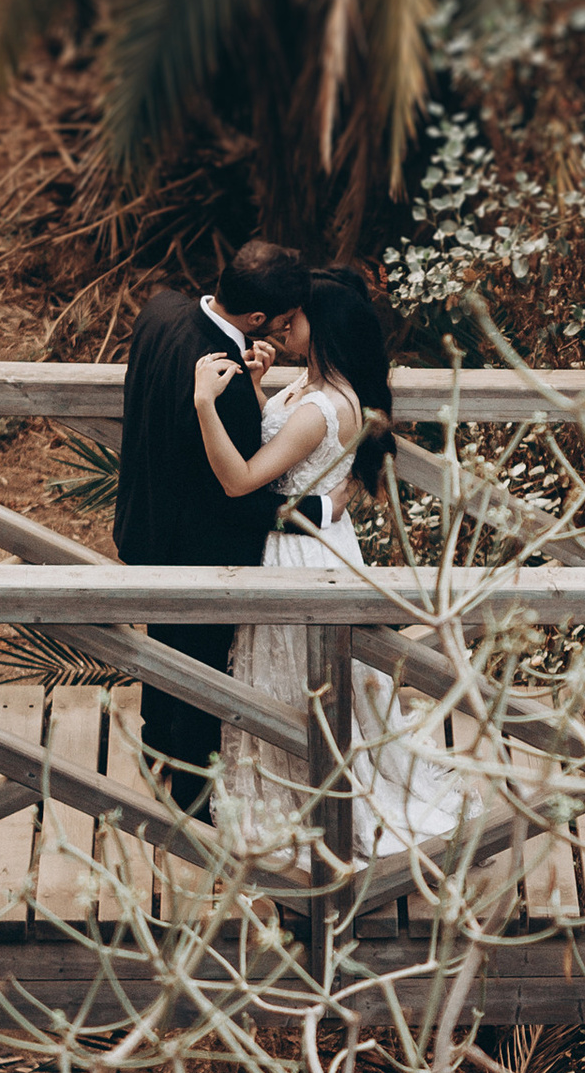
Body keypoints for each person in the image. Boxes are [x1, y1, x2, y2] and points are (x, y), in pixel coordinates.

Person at [188, 272, 469, 857]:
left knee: (301, 684)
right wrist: (263, 390)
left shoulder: (321, 407)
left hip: (300, 554)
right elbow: (290, 452)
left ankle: (320, 809)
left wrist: (204, 405)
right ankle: (313, 791)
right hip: (322, 534)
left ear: (325, 329)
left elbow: (241, 480)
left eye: (297, 319)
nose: (286, 324)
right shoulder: (317, 390)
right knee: (299, 681)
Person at [110, 244, 313, 812]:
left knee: (162, 656)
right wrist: (316, 512)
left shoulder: (162, 309)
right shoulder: (219, 380)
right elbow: (238, 491)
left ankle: (154, 757)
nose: (289, 324)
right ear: (256, 321)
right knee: (198, 681)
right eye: (283, 317)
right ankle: (193, 811)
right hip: (201, 547)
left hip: (145, 522)